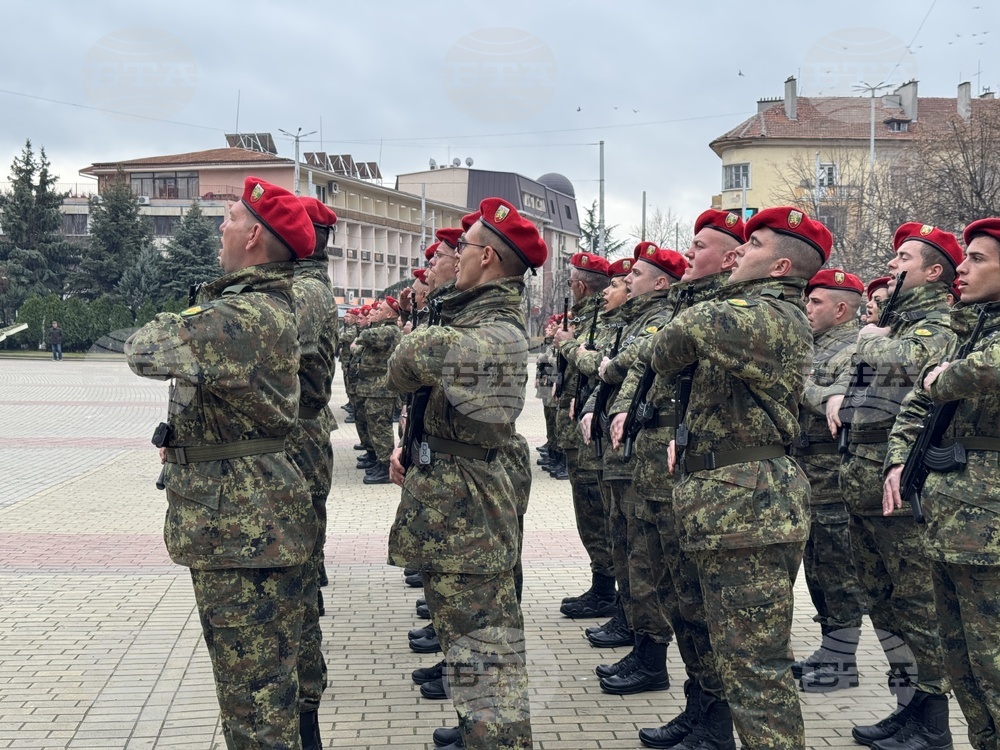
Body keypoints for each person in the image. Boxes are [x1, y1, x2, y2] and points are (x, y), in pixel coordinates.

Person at [124, 176, 317, 749]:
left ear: (255, 236)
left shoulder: (245, 314)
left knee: (255, 707)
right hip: (242, 521)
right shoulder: (251, 308)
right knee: (258, 694)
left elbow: (143, 348)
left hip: (243, 528)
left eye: (229, 218)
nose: (221, 228)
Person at [651, 206, 831, 750]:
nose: (736, 253)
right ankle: (711, 729)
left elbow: (668, 342)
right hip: (723, 504)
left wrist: (704, 285)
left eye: (751, 247)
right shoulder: (742, 310)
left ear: (779, 267)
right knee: (723, 649)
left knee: (757, 669)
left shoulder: (768, 317)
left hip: (750, 510)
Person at [385, 196, 545, 750]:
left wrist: (423, 341)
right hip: (453, 505)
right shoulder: (468, 317)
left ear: (491, 259)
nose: (457, 256)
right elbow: (404, 369)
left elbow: (407, 362)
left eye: (468, 247)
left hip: (471, 509)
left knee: (485, 658)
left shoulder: (498, 327)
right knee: (465, 649)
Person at [615, 209, 745, 749]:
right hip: (667, 465)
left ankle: (715, 718)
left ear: (731, 256)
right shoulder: (685, 306)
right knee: (676, 595)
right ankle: (700, 706)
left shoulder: (727, 311)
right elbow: (642, 372)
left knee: (699, 605)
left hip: (699, 474)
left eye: (700, 245)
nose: (690, 253)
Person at [826, 222, 959, 748]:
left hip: (900, 492)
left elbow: (915, 367)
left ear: (932, 272)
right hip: (863, 484)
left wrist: (872, 341)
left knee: (916, 606)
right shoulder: (891, 325)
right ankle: (908, 706)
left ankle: (933, 723)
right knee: (883, 603)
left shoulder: (937, 324)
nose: (894, 264)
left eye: (905, 257)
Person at [884, 217, 1000, 750]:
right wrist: (899, 462)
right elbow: (917, 401)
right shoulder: (976, 323)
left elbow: (958, 376)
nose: (964, 269)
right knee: (965, 665)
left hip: (988, 527)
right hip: (953, 520)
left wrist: (939, 375)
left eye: (977, 259)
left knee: (993, 661)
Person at [791, 269, 867, 692]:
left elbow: (846, 403)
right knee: (817, 570)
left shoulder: (858, 350)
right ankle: (830, 649)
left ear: (841, 309)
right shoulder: (814, 347)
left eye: (816, 302)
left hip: (832, 483)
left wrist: (802, 386)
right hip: (808, 480)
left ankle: (843, 661)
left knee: (837, 573)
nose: (808, 307)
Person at [287, 196, 339, 749]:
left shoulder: (301, 293)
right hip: (301, 441)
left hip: (295, 443)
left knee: (297, 576)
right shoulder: (306, 289)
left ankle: (305, 719)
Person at [552, 251, 615, 618]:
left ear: (579, 285)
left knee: (595, 513)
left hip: (591, 434)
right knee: (589, 512)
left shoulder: (599, 321)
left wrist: (565, 343)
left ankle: (607, 590)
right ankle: (602, 585)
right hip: (579, 431)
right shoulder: (586, 318)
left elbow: (593, 363)